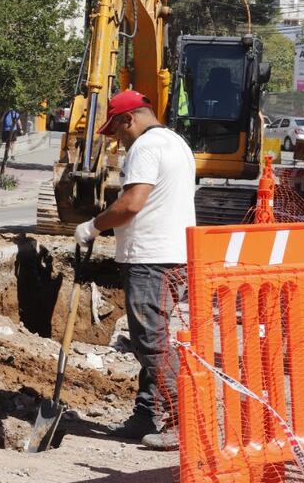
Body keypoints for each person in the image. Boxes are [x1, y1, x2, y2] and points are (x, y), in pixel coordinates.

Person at [73, 89, 196, 450]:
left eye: (117, 130)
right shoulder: (176, 143)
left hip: (150, 258)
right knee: (151, 341)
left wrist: (93, 226)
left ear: (130, 119)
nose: (117, 139)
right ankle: (145, 416)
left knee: (151, 344)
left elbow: (131, 203)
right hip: (173, 255)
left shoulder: (145, 147)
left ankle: (179, 423)